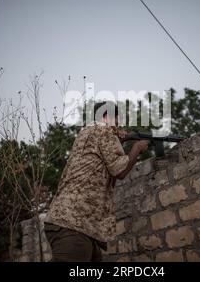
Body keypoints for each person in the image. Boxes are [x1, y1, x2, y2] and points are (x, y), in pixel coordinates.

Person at [44, 101, 149, 262]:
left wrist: (118, 141)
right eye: (117, 119)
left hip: (74, 223)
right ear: (107, 116)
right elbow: (119, 171)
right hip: (73, 223)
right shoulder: (103, 131)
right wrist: (137, 148)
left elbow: (102, 166)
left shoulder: (86, 133)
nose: (118, 123)